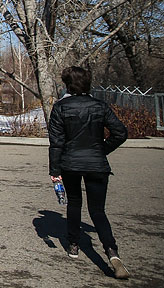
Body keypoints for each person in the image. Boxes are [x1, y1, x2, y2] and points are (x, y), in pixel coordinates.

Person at [49, 66, 129, 278]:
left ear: (67, 85)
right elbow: (120, 132)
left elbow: (56, 142)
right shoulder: (100, 106)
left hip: (70, 163)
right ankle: (112, 252)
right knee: (98, 210)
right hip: (96, 164)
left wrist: (54, 169)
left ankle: (74, 244)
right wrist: (102, 150)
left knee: (74, 203)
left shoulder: (61, 107)